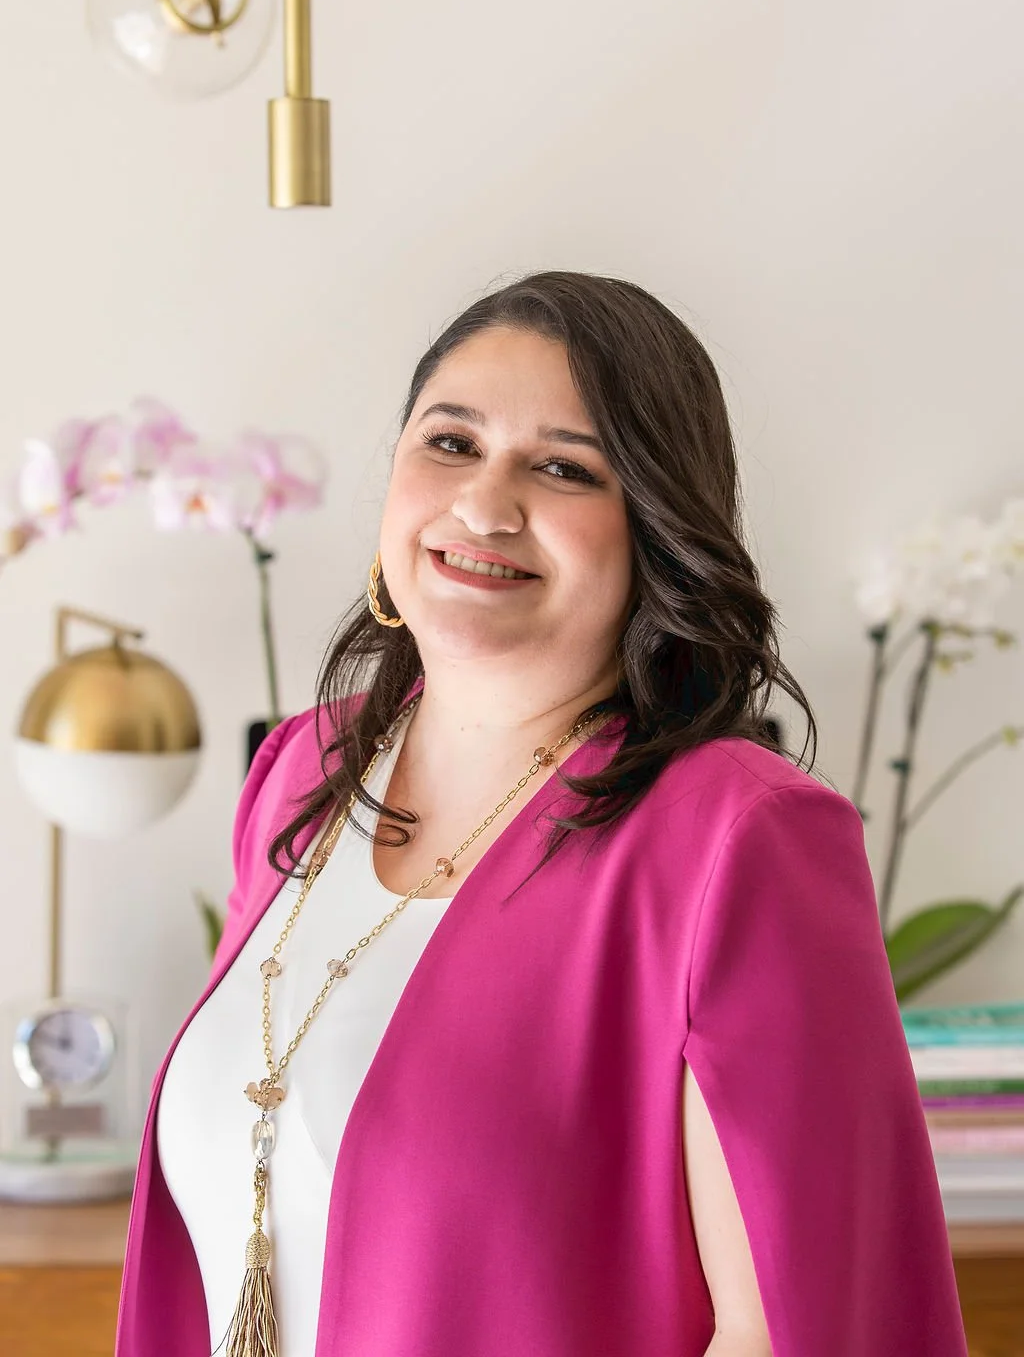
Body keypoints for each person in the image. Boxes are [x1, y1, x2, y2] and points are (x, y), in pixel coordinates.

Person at [116, 271, 968, 1357]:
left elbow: (790, 1332)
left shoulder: (736, 840)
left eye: (563, 467)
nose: (483, 505)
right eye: (451, 444)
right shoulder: (301, 770)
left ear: (655, 528)